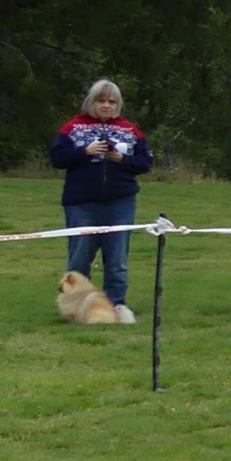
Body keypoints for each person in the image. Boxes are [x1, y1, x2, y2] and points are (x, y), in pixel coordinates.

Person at [49, 79, 152, 311]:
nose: (106, 106)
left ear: (118, 105)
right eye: (101, 101)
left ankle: (115, 304)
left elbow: (144, 163)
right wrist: (84, 151)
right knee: (79, 258)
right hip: (82, 203)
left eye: (111, 102)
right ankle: (76, 306)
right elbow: (57, 158)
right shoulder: (72, 128)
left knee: (117, 259)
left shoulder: (130, 130)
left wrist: (122, 159)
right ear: (91, 102)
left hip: (120, 203)